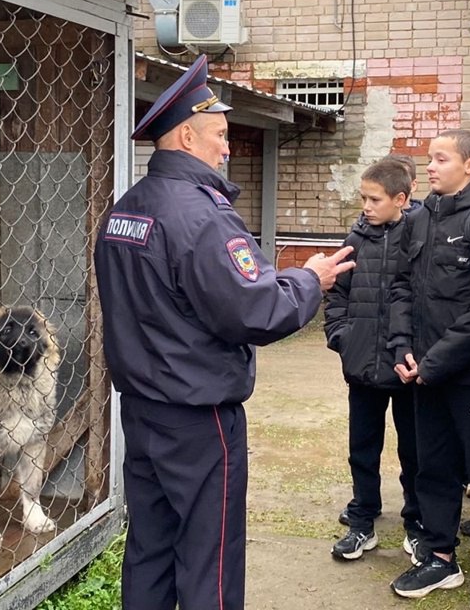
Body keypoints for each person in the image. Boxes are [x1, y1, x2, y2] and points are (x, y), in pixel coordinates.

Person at [94, 55, 355, 610]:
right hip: (198, 414)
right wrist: (309, 279)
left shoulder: (126, 209)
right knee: (207, 553)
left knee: (150, 543)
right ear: (186, 135)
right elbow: (254, 312)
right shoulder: (203, 216)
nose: (227, 145)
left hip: (142, 408)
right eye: (218, 133)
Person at [386, 130, 470, 609]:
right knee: (431, 466)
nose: (431, 167)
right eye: (430, 159)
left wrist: (435, 362)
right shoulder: (418, 220)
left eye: (441, 158)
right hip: (422, 373)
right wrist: (402, 348)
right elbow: (400, 287)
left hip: (467, 376)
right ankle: (440, 557)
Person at [324, 159, 422, 560]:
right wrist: (342, 338)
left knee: (414, 450)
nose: (366, 206)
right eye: (363, 197)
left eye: (374, 199)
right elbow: (337, 293)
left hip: (405, 369)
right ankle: (363, 518)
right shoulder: (357, 237)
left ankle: (417, 522)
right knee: (362, 446)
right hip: (362, 364)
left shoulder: (419, 237)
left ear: (401, 199)